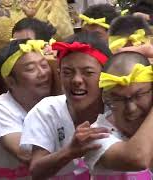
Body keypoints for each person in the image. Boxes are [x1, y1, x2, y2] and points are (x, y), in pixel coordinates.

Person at [20, 32, 112, 180]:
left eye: (88, 72)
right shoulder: (46, 111)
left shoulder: (118, 110)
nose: (76, 80)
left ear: (105, 76)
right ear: (59, 74)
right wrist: (70, 151)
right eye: (67, 72)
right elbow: (36, 171)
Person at [0, 39, 53, 179]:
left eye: (44, 65)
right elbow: (26, 154)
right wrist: (72, 149)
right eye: (31, 69)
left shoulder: (53, 103)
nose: (42, 73)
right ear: (10, 81)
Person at [84, 51, 153, 179]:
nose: (131, 108)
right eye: (119, 99)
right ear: (106, 98)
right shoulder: (95, 136)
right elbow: (137, 159)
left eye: (139, 95)